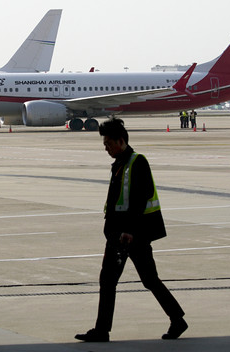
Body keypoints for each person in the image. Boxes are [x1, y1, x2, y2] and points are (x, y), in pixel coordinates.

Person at [75, 118, 187, 342]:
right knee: (140, 279)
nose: (106, 148)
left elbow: (140, 199)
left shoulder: (137, 162)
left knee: (118, 280)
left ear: (121, 141)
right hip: (121, 233)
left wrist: (129, 230)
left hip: (130, 235)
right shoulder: (119, 163)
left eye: (108, 143)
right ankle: (177, 319)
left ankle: (103, 330)